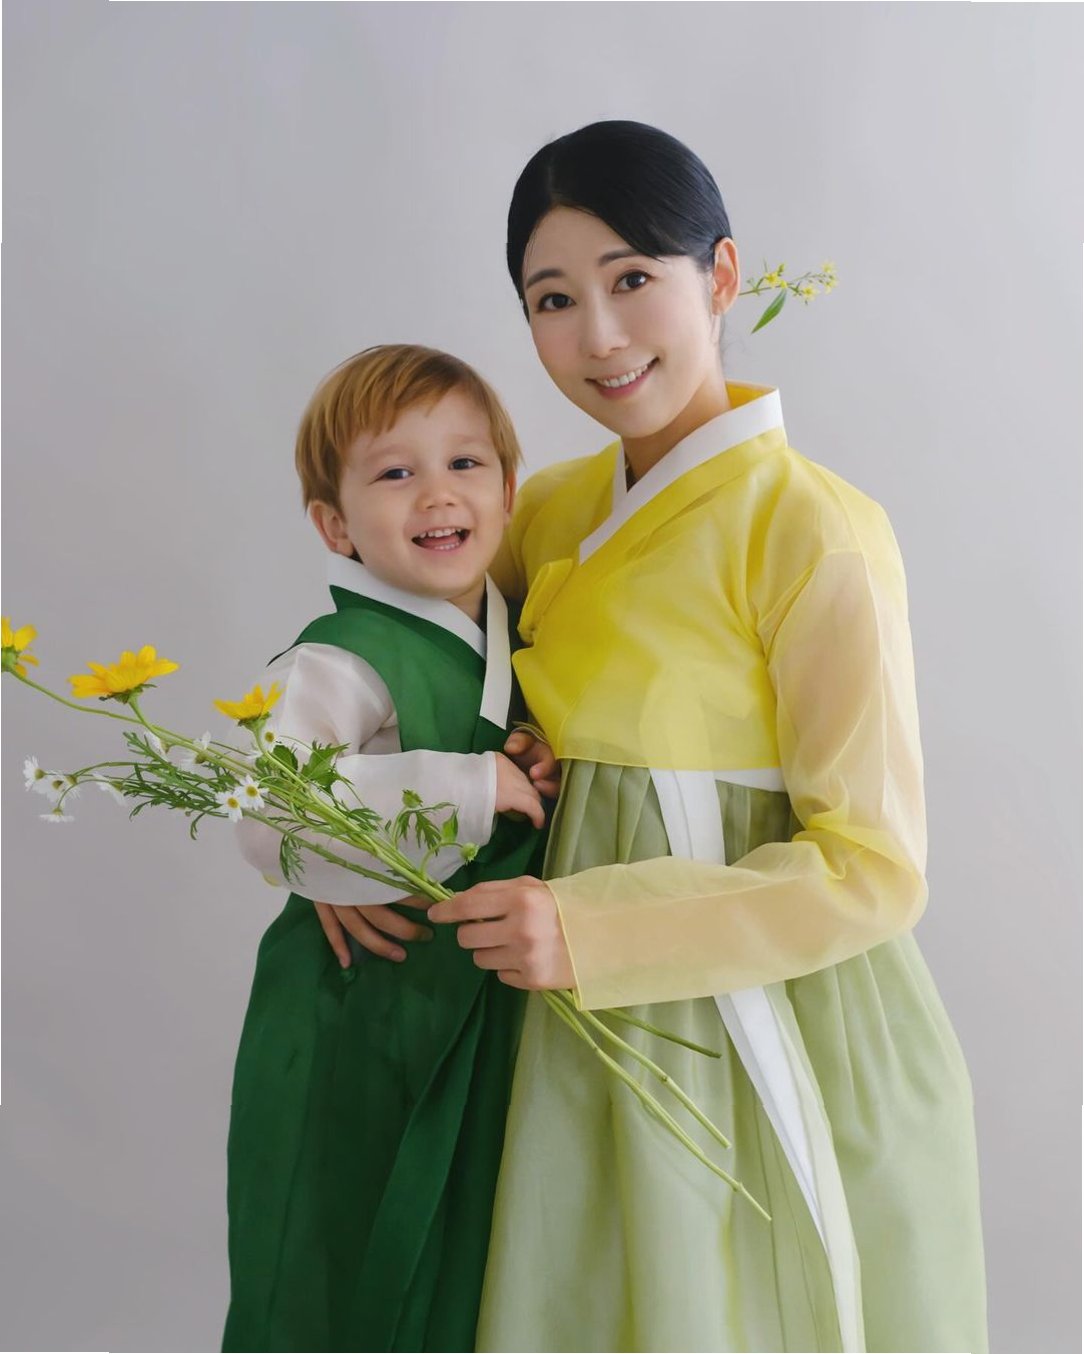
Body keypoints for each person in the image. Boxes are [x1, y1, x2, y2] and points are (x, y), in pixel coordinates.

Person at [422, 122, 989, 1352]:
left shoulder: (813, 529)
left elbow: (873, 866)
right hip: (562, 1024)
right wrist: (344, 841)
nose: (600, 335)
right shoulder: (547, 508)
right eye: (553, 299)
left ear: (720, 275)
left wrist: (591, 928)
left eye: (632, 279)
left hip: (750, 1020)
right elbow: (418, 676)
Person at [221, 344, 556, 1353]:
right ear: (336, 524)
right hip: (357, 998)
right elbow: (271, 810)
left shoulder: (513, 627)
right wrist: (471, 787)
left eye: (466, 463)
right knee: (336, 1241)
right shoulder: (340, 658)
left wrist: (532, 753)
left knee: (459, 1251)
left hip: (472, 1001)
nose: (437, 493)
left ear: (508, 489)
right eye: (396, 471)